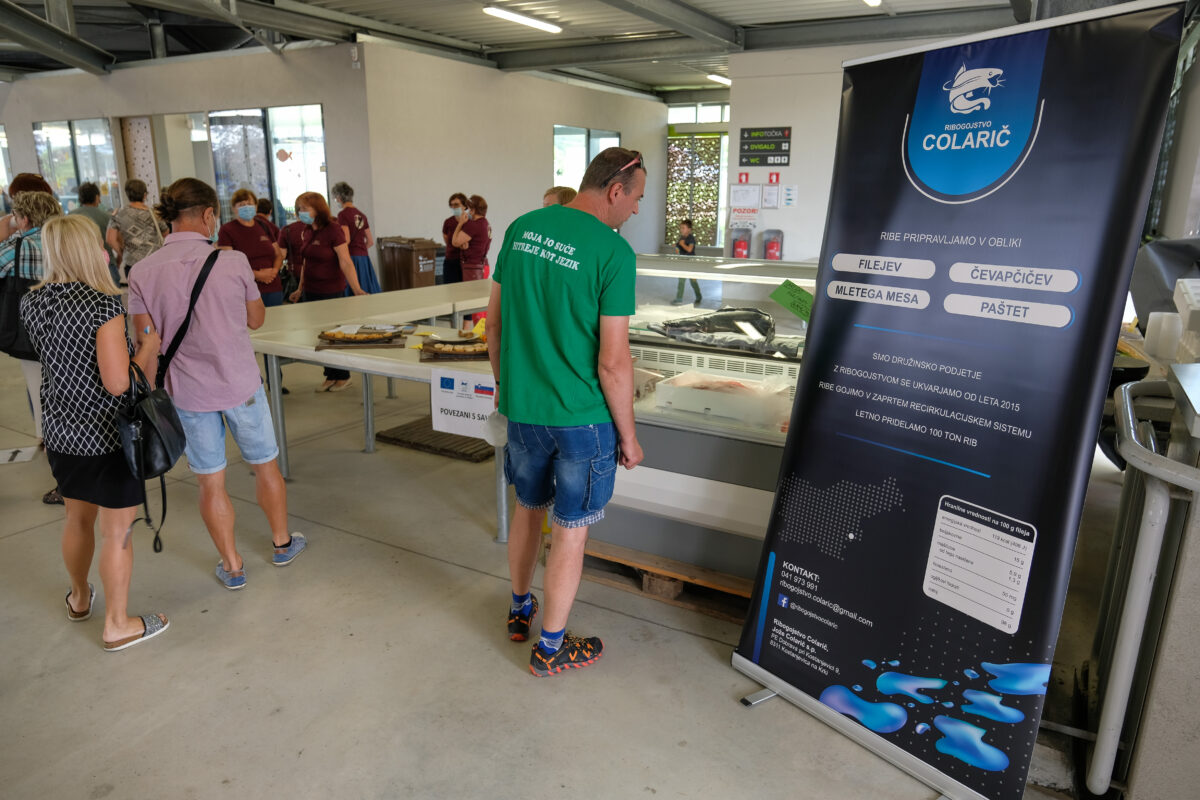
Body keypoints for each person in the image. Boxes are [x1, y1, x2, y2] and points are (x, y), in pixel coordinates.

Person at [487, 147, 646, 677]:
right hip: (582, 420)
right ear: (616, 190)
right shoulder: (613, 252)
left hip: (524, 412)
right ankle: (551, 648)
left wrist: (507, 386)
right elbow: (613, 362)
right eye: (637, 199)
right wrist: (629, 437)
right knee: (571, 529)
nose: (636, 210)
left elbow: (494, 324)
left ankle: (519, 610)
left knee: (527, 510)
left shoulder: (521, 228)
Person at [128, 178, 307, 591]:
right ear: (209, 215)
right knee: (265, 466)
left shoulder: (141, 272)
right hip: (240, 384)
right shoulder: (233, 262)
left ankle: (232, 565)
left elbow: (146, 342)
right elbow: (256, 319)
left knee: (210, 481)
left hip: (187, 393)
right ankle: (282, 544)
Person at [19, 215, 169, 651]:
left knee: (77, 519)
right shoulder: (102, 305)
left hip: (61, 432)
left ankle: (80, 598)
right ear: (92, 251)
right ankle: (117, 625)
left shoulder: (33, 301)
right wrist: (147, 349)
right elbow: (118, 383)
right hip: (107, 437)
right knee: (116, 532)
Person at [1, 190, 64, 505]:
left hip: (31, 335)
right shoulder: (67, 240)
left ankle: (62, 477)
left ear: (23, 218)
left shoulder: (16, 247)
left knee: (41, 396)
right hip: (71, 329)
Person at [285, 191, 366, 392]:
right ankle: (330, 374)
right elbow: (306, 262)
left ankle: (343, 376)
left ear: (318, 209)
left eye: (305, 208)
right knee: (320, 335)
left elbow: (345, 261)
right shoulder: (307, 231)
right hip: (311, 291)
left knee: (334, 335)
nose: (301, 212)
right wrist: (299, 288)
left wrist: (357, 289)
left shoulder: (333, 230)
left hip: (331, 291)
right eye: (299, 209)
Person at [218, 188, 284, 307]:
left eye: (249, 203)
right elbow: (228, 264)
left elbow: (278, 255)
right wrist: (257, 275)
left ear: (256, 206)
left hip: (273, 286)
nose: (246, 207)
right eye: (241, 205)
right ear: (234, 208)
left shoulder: (264, 226)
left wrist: (273, 272)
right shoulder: (227, 230)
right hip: (245, 290)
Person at [106, 179, 166, 282]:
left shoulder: (119, 214)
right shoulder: (155, 214)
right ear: (145, 195)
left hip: (132, 264)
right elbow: (166, 233)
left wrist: (122, 252)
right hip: (155, 262)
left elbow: (110, 239)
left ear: (127, 194)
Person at [332, 181, 381, 294]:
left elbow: (346, 239)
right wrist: (360, 249)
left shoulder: (343, 215)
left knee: (352, 290)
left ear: (339, 197)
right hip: (364, 258)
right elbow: (370, 241)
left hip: (351, 258)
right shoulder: (362, 215)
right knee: (366, 289)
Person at [69, 182, 119, 286]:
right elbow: (114, 240)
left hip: (79, 266)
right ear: (96, 197)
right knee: (112, 294)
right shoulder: (107, 216)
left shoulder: (70, 217)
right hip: (106, 265)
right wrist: (119, 258)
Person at [452, 194, 491, 281]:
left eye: (468, 209)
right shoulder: (486, 223)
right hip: (483, 265)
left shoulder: (474, 225)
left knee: (470, 290)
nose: (467, 212)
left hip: (473, 268)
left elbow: (455, 242)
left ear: (473, 210)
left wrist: (460, 223)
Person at [671, 219, 701, 306]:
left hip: (691, 262)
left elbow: (689, 249)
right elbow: (678, 246)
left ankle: (699, 297)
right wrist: (676, 245)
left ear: (689, 229)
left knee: (693, 281)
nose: (681, 230)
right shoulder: (682, 238)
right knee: (681, 280)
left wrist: (682, 244)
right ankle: (679, 299)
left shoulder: (691, 238)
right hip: (683, 262)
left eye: (683, 228)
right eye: (681, 228)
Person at [441, 193, 468, 284]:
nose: (453, 207)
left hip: (466, 262)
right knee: (450, 288)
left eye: (456, 204)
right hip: (451, 260)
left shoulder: (470, 221)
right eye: (451, 205)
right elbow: (447, 240)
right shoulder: (448, 222)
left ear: (464, 206)